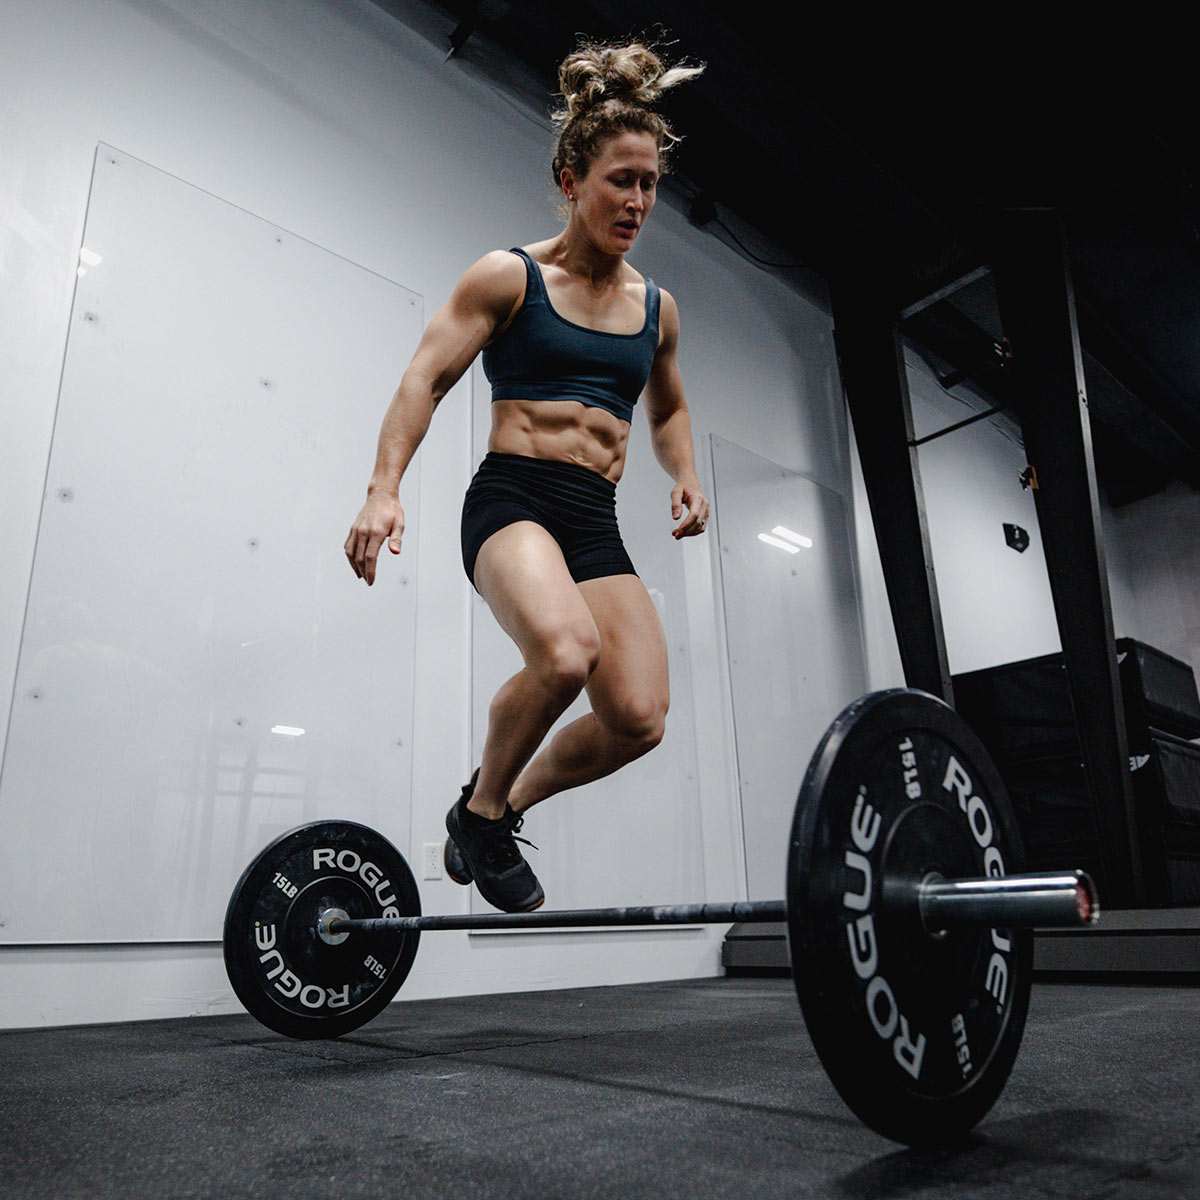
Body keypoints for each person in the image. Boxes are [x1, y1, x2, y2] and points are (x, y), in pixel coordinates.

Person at [344, 39, 709, 913]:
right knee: (565, 650)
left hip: (593, 516)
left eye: (649, 183)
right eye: (620, 179)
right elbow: (424, 379)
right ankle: (481, 814)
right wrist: (383, 488)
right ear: (570, 178)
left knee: (639, 718)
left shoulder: (656, 310)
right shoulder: (509, 276)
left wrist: (686, 473)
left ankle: (495, 806)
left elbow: (667, 410)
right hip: (511, 499)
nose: (637, 200)